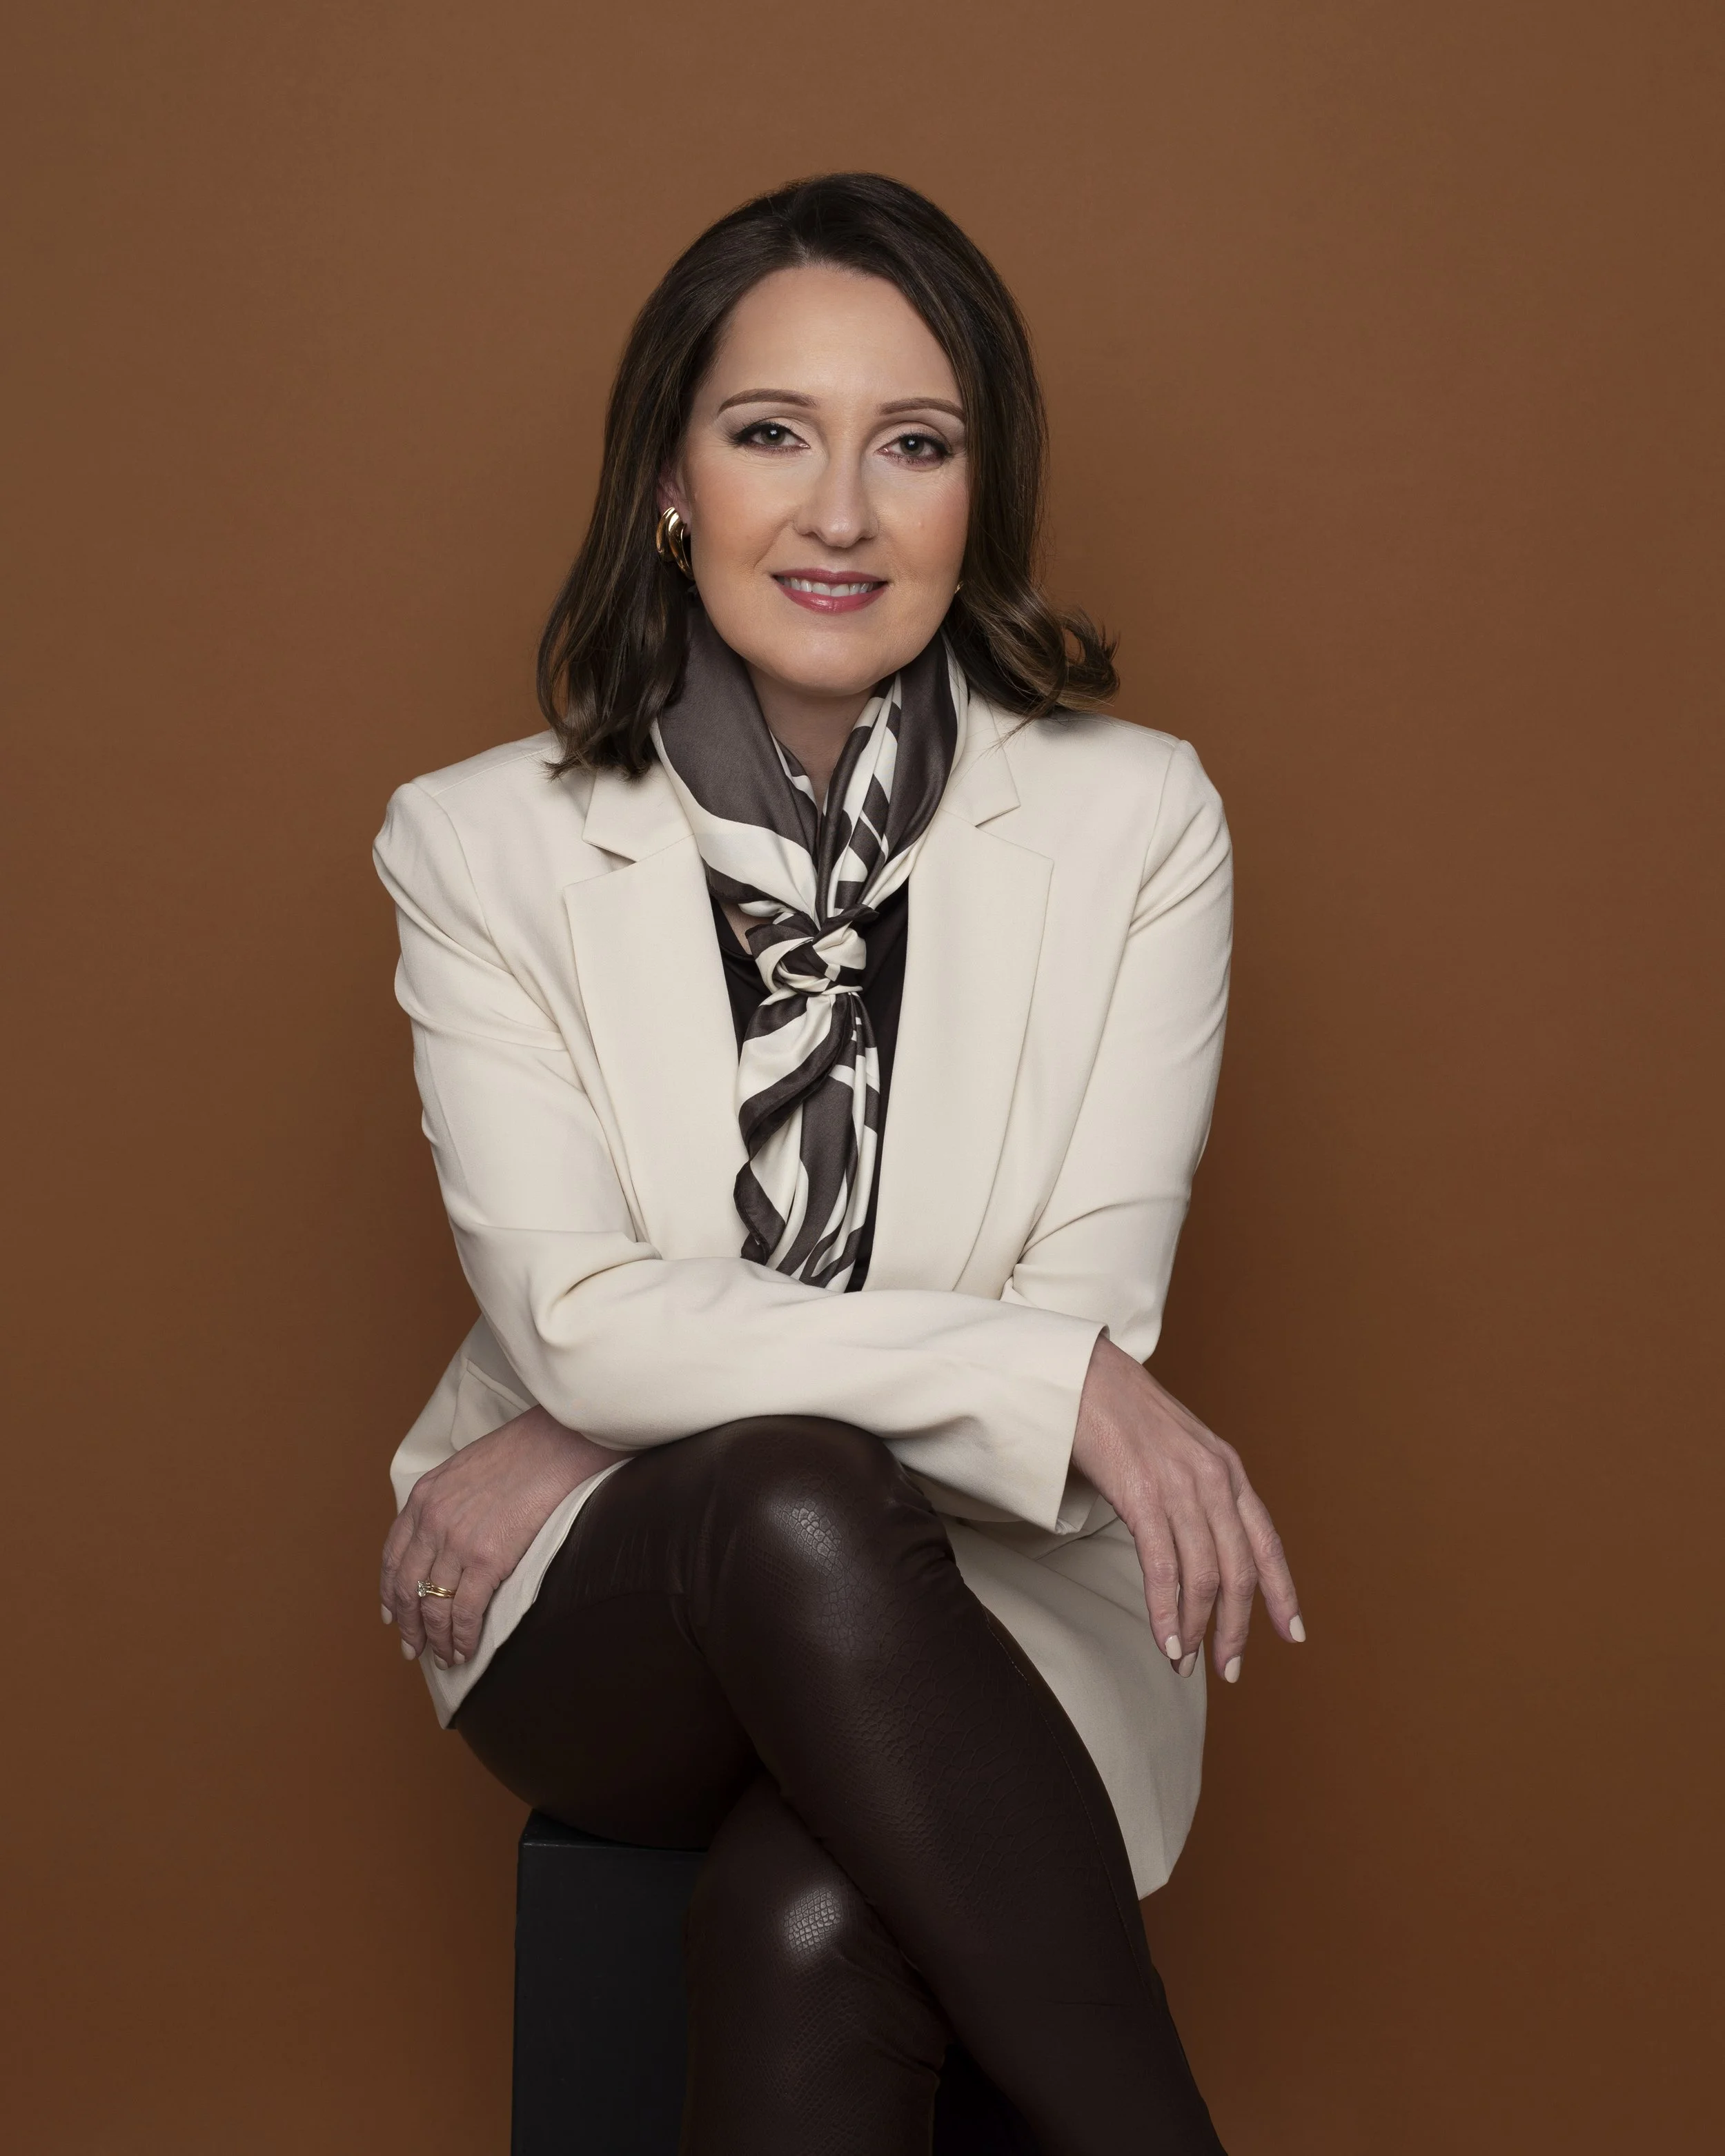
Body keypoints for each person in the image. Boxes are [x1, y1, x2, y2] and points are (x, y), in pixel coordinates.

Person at [374, 172, 1302, 2156]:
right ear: (666, 483)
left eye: (917, 446)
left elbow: (1075, 1323)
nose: (842, 513)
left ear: (984, 495)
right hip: (594, 1607)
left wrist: (614, 1403)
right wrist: (615, 1402)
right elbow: (579, 1310)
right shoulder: (478, 846)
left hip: (997, 1604)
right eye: (769, 433)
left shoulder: (1136, 824)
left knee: (811, 1916)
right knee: (788, 1493)